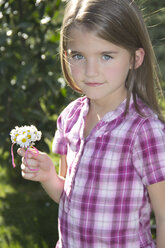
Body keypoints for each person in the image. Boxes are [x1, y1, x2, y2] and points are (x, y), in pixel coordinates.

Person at [17, 0, 165, 247]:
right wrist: (48, 177)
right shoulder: (71, 117)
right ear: (66, 56)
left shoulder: (143, 130)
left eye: (106, 56)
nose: (91, 71)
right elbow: (71, 199)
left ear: (135, 58)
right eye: (79, 56)